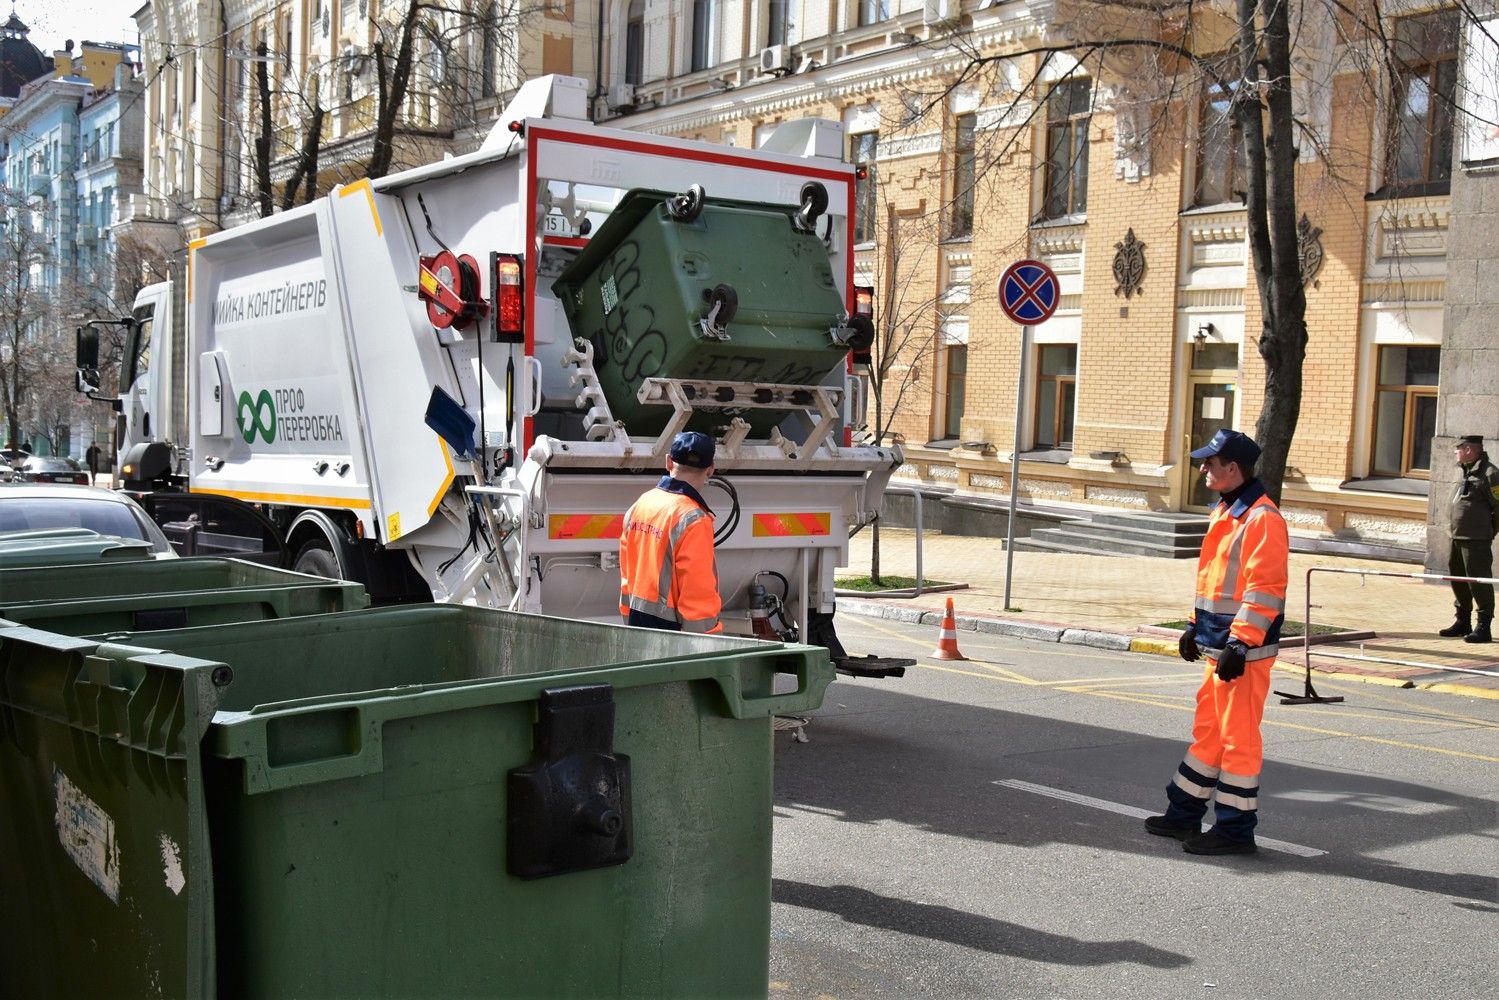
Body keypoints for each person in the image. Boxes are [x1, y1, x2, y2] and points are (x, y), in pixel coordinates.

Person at [1146, 429, 1289, 856]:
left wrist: (1241, 645)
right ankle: (1184, 814)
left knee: (1238, 740)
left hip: (1242, 653)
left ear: (1234, 468)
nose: (1203, 468)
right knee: (1209, 731)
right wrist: (1194, 625)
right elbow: (1213, 582)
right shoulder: (1226, 511)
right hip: (1218, 645)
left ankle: (1235, 831)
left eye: (1210, 462)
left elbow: (1265, 590)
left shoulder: (1263, 519)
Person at [618, 430, 723, 634]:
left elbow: (627, 570)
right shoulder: (693, 518)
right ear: (710, 469)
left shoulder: (642, 504)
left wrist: (627, 615)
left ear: (668, 462)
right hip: (672, 633)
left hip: (636, 621)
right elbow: (697, 591)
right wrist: (706, 642)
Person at [1439, 434, 1499, 645]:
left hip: (1476, 540)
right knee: (1458, 579)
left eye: (1459, 449)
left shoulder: (1489, 474)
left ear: (1469, 450)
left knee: (1478, 581)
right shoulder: (1463, 471)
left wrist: (1489, 531)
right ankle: (1462, 621)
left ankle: (1483, 626)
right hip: (1456, 536)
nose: (1456, 452)